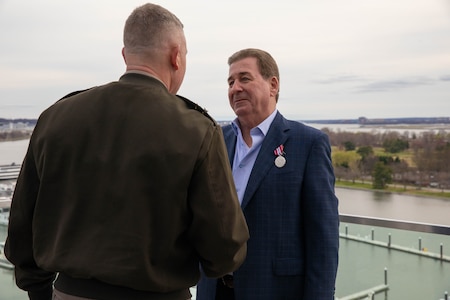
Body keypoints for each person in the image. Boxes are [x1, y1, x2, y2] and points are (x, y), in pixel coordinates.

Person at [5, 4, 249, 300]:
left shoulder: (55, 118)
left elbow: (22, 227)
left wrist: (40, 290)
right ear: (176, 57)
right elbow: (224, 248)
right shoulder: (196, 129)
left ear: (125, 55)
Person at [197, 48, 339, 299]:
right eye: (230, 82)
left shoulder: (308, 143)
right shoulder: (215, 140)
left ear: (273, 85)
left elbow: (323, 241)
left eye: (244, 78)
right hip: (214, 291)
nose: (235, 88)